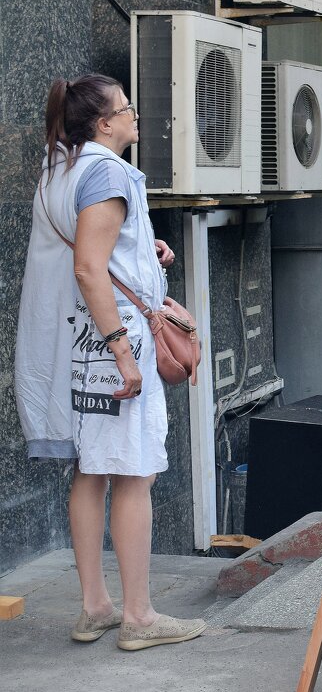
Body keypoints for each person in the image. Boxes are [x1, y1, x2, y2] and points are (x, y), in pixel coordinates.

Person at [14, 75, 206, 649]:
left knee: (91, 470)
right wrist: (124, 351)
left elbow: (91, 249)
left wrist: (144, 250)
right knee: (134, 471)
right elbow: (90, 269)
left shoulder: (61, 169)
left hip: (78, 342)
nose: (135, 115)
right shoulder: (107, 171)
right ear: (104, 124)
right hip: (112, 339)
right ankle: (139, 617)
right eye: (127, 108)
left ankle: (95, 607)